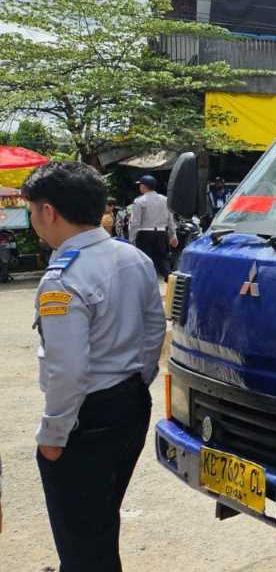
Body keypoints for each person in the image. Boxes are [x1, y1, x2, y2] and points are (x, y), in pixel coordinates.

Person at [22, 161, 166, 571]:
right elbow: (154, 328)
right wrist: (137, 381)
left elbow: (68, 369)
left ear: (48, 211)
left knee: (81, 543)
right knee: (101, 523)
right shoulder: (133, 257)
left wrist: (53, 433)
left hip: (86, 418)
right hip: (131, 404)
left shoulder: (62, 278)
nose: (35, 223)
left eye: (33, 212)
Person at [128, 174, 177, 278]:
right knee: (163, 260)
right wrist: (173, 235)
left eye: (140, 185)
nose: (139, 187)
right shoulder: (165, 200)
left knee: (146, 261)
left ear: (144, 186)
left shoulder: (139, 201)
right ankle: (172, 284)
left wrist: (131, 240)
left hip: (144, 234)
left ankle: (148, 287)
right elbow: (170, 220)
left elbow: (135, 223)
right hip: (161, 233)